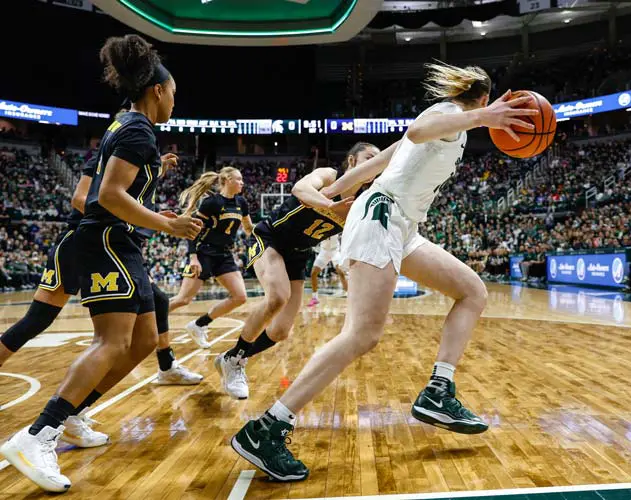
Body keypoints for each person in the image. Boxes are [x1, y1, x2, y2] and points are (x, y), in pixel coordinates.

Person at [228, 62, 538, 482]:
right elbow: (414, 134)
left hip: (402, 226)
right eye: (487, 107)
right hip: (381, 218)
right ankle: (267, 428)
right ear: (483, 100)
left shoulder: (454, 125)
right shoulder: (443, 115)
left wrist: (334, 192)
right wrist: (485, 117)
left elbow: (383, 160)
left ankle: (438, 390)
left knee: (472, 291)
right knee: (362, 334)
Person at [0, 34, 202, 493]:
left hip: (116, 239)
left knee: (146, 339)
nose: (174, 100)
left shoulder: (126, 127)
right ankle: (38, 435)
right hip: (107, 241)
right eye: (173, 93)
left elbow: (116, 193)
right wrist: (168, 227)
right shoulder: (136, 130)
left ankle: (70, 416)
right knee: (111, 343)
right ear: (158, 90)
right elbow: (108, 196)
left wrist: (156, 213)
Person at [214, 142, 379, 400]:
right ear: (352, 161)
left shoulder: (360, 203)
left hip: (299, 254)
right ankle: (235, 362)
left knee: (280, 331)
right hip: (271, 238)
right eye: (369, 157)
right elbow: (299, 188)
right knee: (278, 297)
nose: (374, 163)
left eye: (379, 160)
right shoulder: (329, 176)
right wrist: (329, 205)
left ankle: (230, 356)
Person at [168, 167, 253, 347]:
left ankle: (198, 325)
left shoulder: (241, 202)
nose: (242, 183)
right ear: (228, 180)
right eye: (239, 179)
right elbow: (192, 232)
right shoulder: (211, 203)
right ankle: (147, 319)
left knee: (240, 297)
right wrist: (193, 258)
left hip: (224, 254)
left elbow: (248, 228)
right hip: (202, 253)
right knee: (183, 299)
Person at [307, 234, 348, 307]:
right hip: (324, 252)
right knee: (313, 273)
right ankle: (315, 298)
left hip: (335, 251)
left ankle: (348, 294)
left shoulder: (336, 227)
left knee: (341, 273)